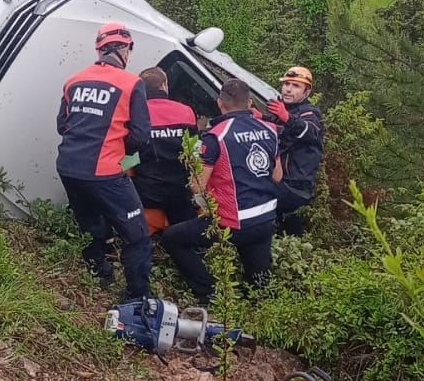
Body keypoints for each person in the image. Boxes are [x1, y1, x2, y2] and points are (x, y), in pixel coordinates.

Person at [160, 77, 282, 302]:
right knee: (260, 287)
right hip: (265, 217)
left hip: (231, 222)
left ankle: (208, 292)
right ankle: (261, 311)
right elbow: (277, 176)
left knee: (172, 238)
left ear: (220, 103)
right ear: (250, 102)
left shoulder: (216, 136)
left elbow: (198, 185)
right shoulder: (270, 129)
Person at [56, 22, 152, 297]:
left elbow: (62, 126)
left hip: (68, 167)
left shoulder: (74, 80)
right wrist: (125, 160)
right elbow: (141, 137)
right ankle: (138, 296)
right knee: (138, 234)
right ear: (125, 49)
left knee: (90, 222)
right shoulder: (132, 83)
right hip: (106, 171)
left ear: (99, 49)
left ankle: (100, 273)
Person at [134, 67, 199, 226]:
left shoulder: (135, 115)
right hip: (180, 192)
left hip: (146, 194)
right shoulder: (186, 112)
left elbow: (128, 157)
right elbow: (194, 154)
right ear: (164, 85)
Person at [265, 65, 324, 232]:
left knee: (250, 194)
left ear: (306, 92)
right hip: (279, 182)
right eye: (286, 84)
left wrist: (287, 118)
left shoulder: (310, 114)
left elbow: (309, 131)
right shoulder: (281, 110)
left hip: (294, 188)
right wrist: (257, 117)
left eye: (296, 86)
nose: (288, 89)